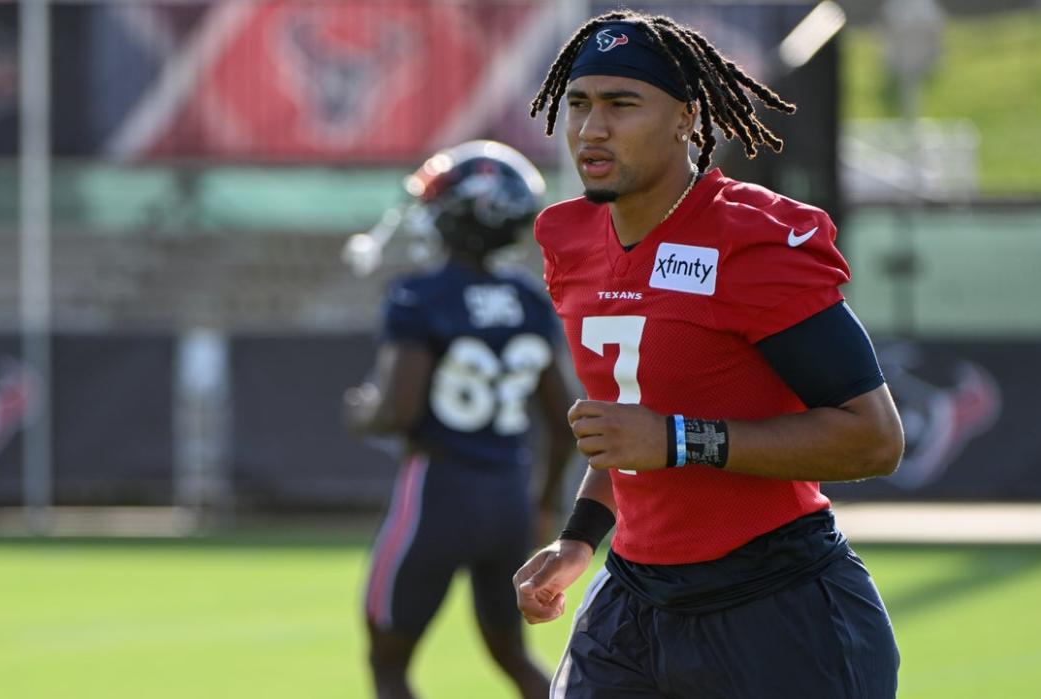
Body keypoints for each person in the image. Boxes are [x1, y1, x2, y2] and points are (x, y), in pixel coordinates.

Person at [511, 11, 905, 698]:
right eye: (578, 103)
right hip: (634, 602)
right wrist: (580, 536)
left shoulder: (749, 238)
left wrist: (679, 438)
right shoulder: (569, 237)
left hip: (775, 601)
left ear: (687, 118)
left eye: (621, 104)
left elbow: (874, 439)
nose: (590, 128)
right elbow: (625, 430)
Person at [344, 140, 576, 699]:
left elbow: (398, 411)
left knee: (389, 661)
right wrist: (543, 504)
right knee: (514, 657)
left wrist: (364, 414)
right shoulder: (528, 300)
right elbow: (563, 423)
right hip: (508, 498)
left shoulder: (419, 296)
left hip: (438, 492)